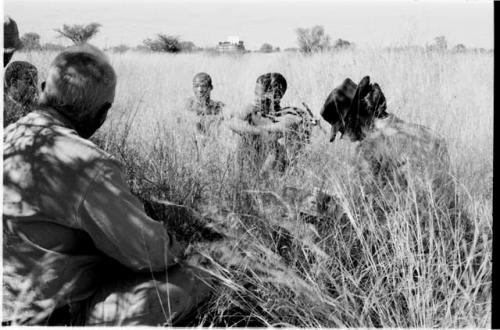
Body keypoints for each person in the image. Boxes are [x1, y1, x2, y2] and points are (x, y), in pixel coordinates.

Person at [3, 44, 211, 326]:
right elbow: (150, 252)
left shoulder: (12, 136)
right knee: (201, 273)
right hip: (52, 311)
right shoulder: (88, 164)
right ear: (103, 113)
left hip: (10, 298)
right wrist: (186, 248)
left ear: (42, 88)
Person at [228, 72, 302, 178]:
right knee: (246, 138)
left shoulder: (286, 114)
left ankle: (263, 179)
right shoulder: (251, 110)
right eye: (255, 94)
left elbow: (282, 127)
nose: (256, 98)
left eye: (261, 95)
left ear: (276, 96)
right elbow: (232, 123)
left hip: (272, 171)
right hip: (247, 165)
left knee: (275, 147)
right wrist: (258, 131)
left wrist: (257, 129)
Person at [4, 60, 39, 127]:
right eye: (29, 82)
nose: (35, 88)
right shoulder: (4, 110)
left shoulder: (32, 105)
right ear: (13, 82)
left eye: (36, 83)